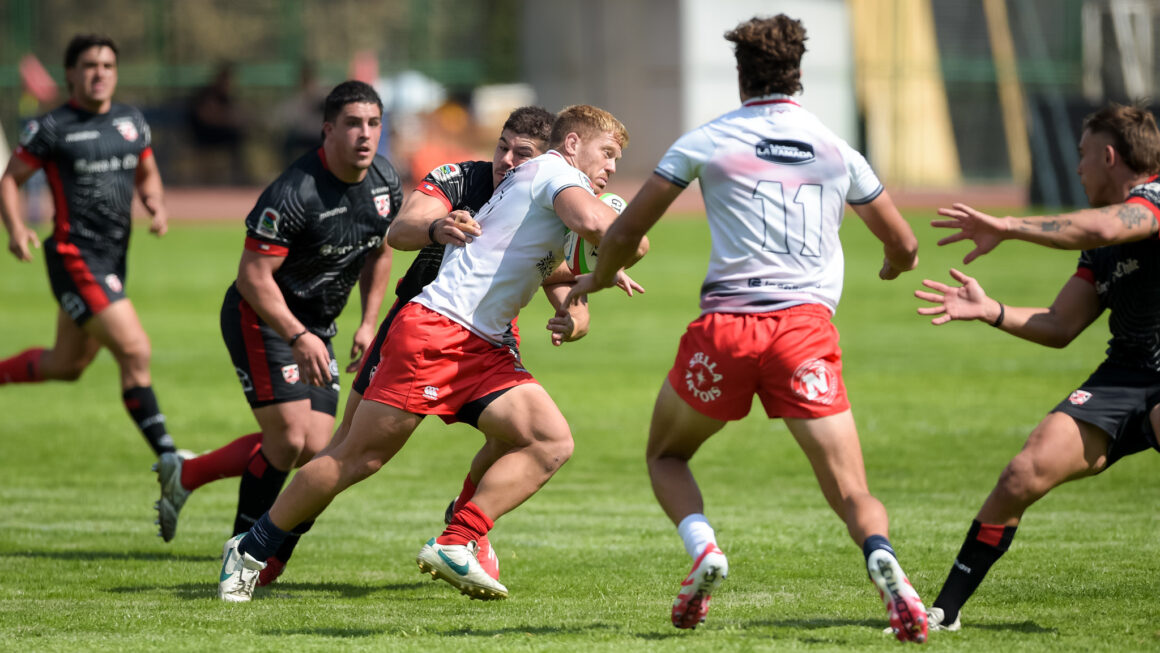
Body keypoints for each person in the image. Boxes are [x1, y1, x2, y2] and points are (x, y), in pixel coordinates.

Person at [565, 15, 928, 641]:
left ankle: (705, 551)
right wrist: (893, 265)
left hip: (726, 331)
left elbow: (624, 232)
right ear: (800, 75)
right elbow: (905, 243)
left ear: (740, 76)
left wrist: (595, 280)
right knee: (849, 489)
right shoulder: (837, 148)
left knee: (666, 454)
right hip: (804, 334)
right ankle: (881, 557)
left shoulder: (706, 141)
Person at [216, 104, 648, 603]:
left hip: (481, 345)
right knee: (357, 457)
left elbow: (543, 259)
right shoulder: (553, 172)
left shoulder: (541, 185)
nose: (612, 167)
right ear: (572, 145)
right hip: (437, 331)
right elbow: (602, 227)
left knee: (548, 442)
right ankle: (252, 547)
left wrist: (592, 278)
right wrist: (628, 242)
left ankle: (458, 539)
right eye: (608, 153)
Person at [914, 103, 1160, 631]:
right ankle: (944, 611)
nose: (1077, 169)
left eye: (1083, 156)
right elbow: (1059, 325)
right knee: (1023, 472)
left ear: (1110, 156)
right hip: (1124, 378)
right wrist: (993, 311)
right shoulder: (1101, 250)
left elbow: (1105, 224)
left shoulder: (1152, 204)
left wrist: (1007, 225)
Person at [152, 81, 403, 551]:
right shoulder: (294, 191)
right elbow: (252, 276)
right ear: (328, 130)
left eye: (373, 124)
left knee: (314, 448)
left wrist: (368, 324)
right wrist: (296, 335)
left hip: (317, 329)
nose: (364, 135)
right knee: (288, 438)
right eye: (352, 124)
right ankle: (244, 549)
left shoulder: (386, 182)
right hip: (263, 318)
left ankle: (187, 473)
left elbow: (380, 253)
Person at [0, 34, 179, 460]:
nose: (99, 74)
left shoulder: (132, 121)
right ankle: (171, 459)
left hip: (113, 258)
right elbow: (10, 179)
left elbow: (147, 170)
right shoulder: (51, 127)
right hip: (73, 257)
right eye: (89, 66)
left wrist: (155, 203)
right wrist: (16, 227)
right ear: (70, 75)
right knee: (135, 349)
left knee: (67, 364)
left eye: (107, 66)